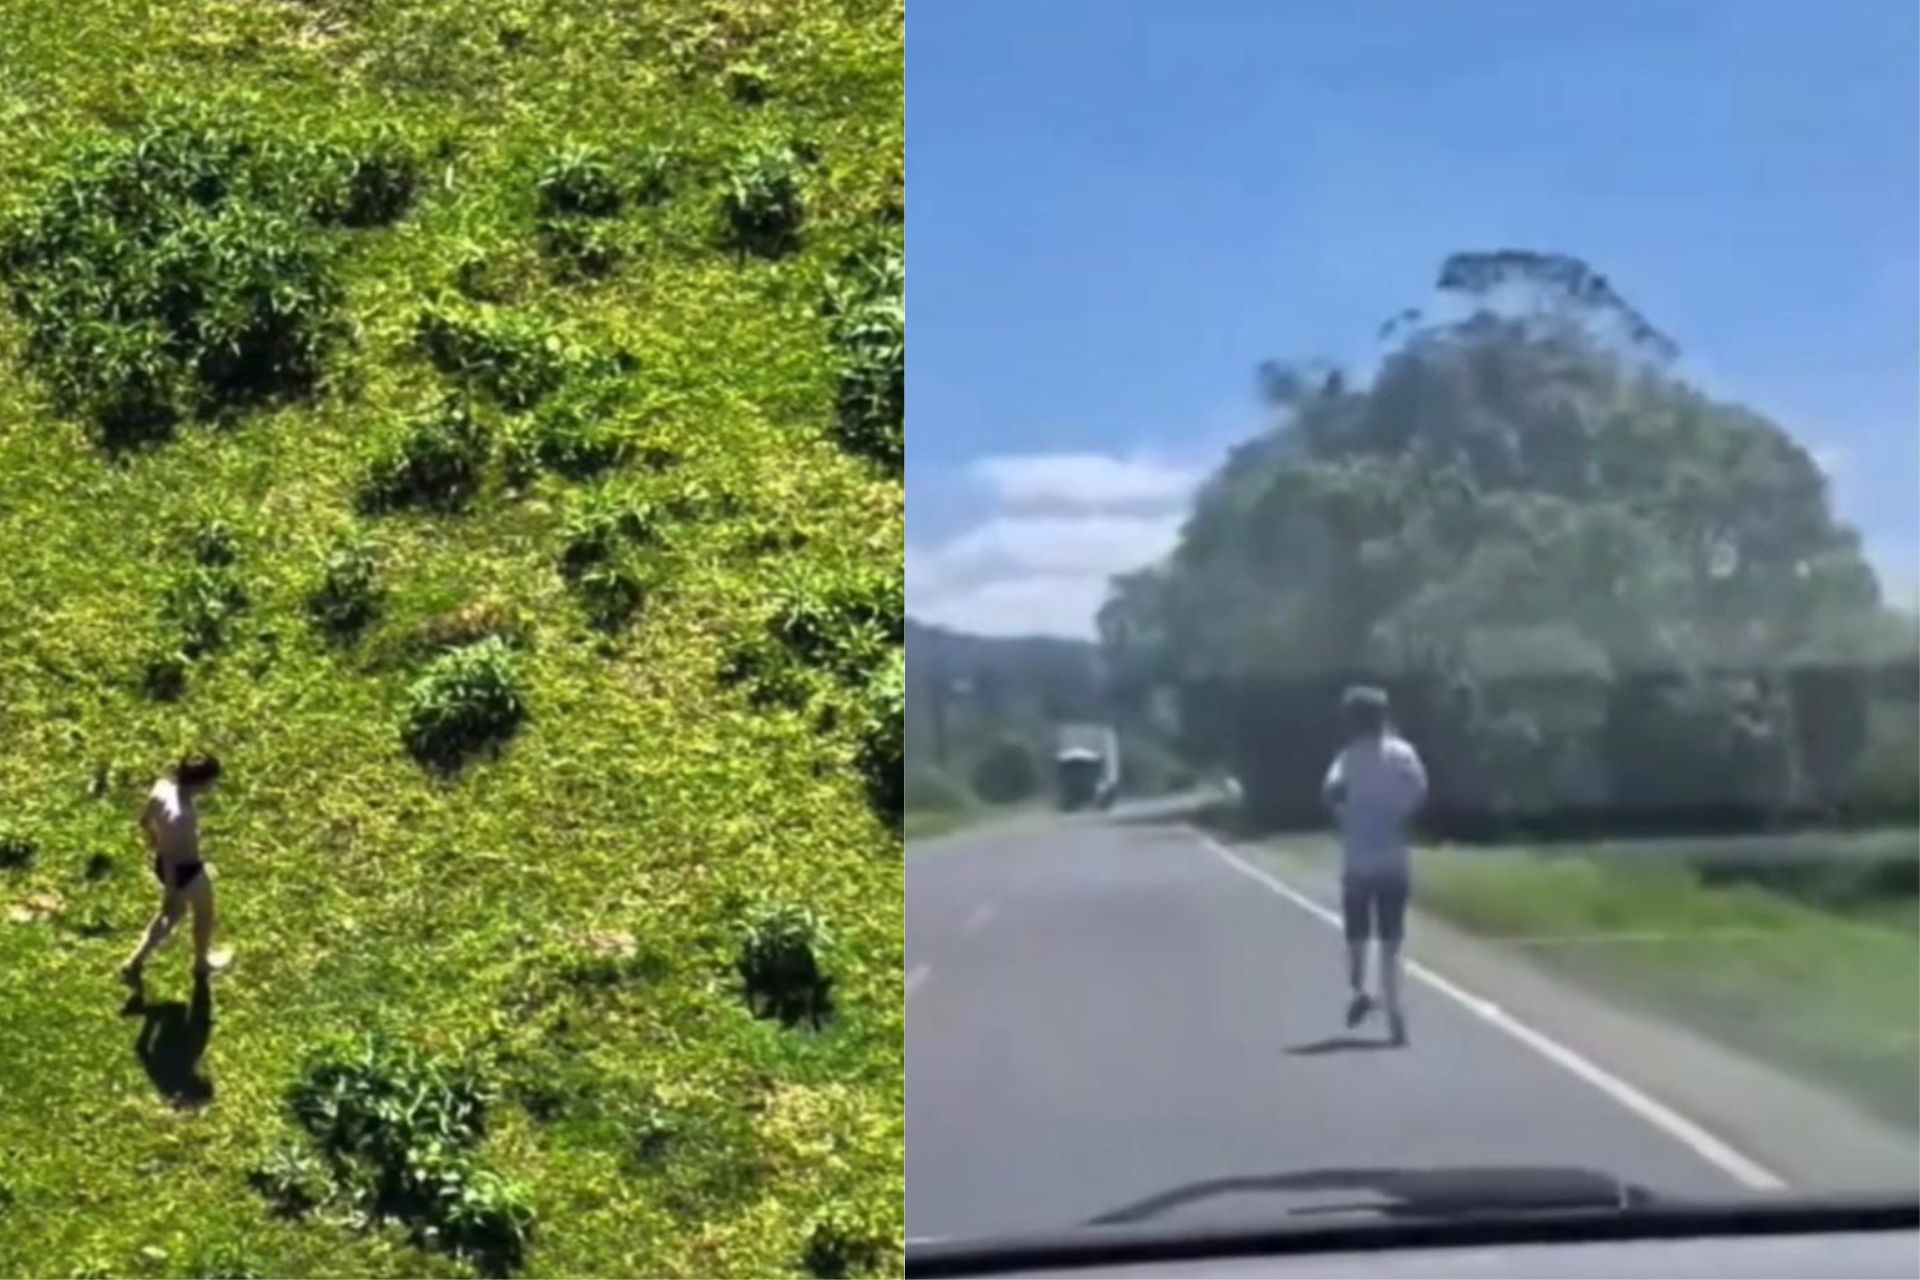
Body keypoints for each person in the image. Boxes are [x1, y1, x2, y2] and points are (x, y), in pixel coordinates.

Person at [1322, 687, 1427, 1045]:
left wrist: (1346, 816)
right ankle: (1395, 1010)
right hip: (1394, 859)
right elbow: (1419, 792)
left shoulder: (1347, 760)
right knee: (1392, 940)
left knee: (1357, 936)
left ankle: (1361, 990)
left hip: (1358, 861)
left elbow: (1331, 793)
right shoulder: (1403, 755)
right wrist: (1398, 813)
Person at [120, 753, 230, 984]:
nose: (212, 786)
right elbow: (179, 858)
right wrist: (173, 886)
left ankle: (135, 961)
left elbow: (144, 820)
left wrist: (154, 841)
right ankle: (201, 963)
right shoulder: (184, 818)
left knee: (173, 913)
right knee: (201, 913)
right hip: (184, 870)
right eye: (211, 782)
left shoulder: (162, 788)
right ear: (201, 782)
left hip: (164, 862)